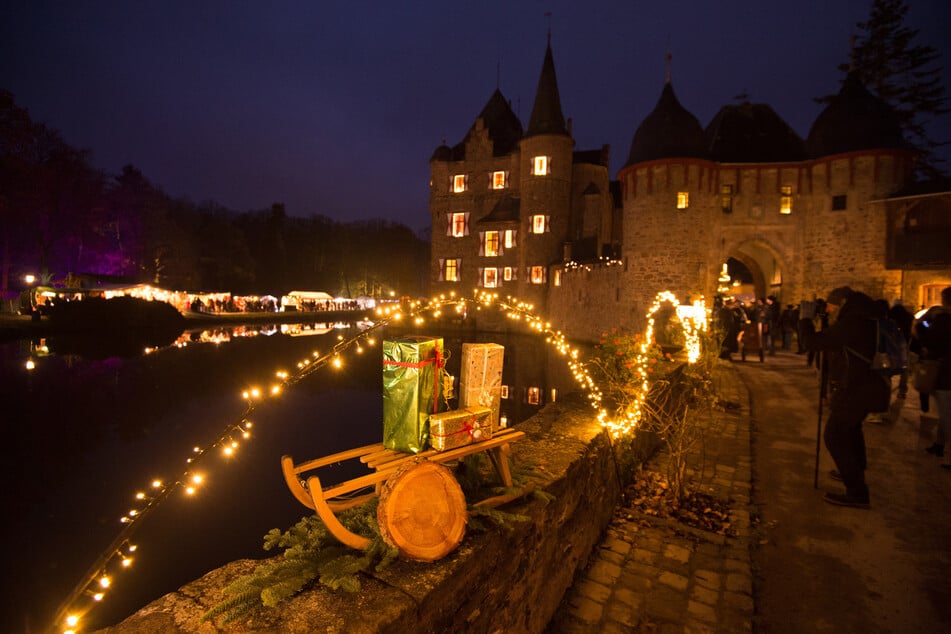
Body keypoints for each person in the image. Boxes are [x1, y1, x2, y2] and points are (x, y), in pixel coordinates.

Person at [799, 286, 889, 508]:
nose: (827, 309)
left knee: (835, 436)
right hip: (868, 387)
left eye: (830, 305)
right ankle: (854, 471)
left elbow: (813, 343)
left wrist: (804, 321)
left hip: (855, 389)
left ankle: (857, 492)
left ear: (841, 303)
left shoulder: (853, 323)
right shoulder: (866, 318)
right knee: (851, 430)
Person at [918, 286, 951, 466]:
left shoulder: (943, 319)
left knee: (946, 413)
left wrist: (925, 320)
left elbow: (928, 338)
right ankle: (939, 444)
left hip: (945, 372)